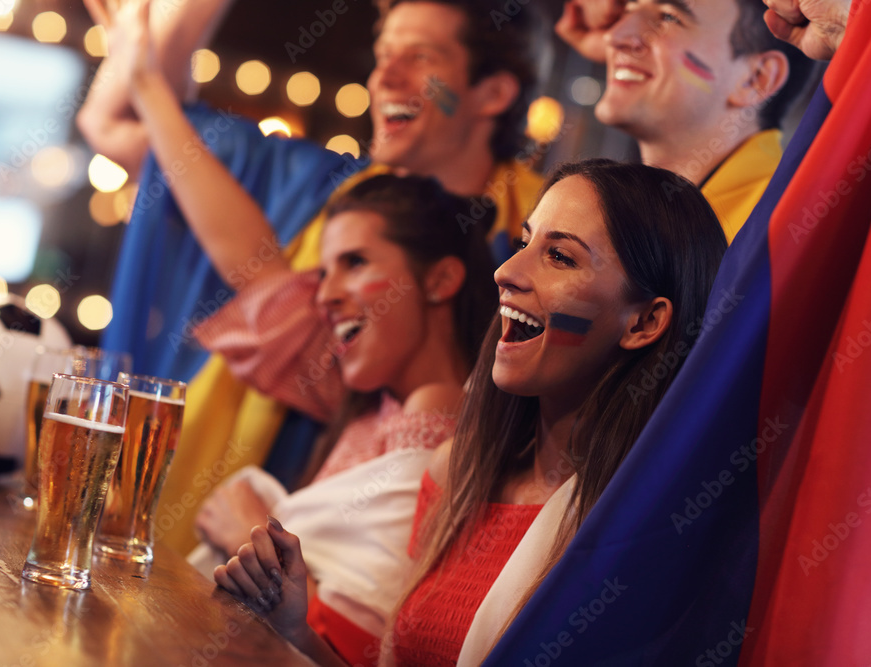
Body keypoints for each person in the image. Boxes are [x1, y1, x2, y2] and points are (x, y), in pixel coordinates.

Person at [213, 158, 728, 665]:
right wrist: (295, 630)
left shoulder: (642, 529)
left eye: (561, 258)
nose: (507, 271)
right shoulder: (455, 473)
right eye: (524, 242)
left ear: (644, 323)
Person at [77, 0, 546, 554]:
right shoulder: (321, 186)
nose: (385, 77)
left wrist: (148, 80)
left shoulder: (534, 242)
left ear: (493, 92)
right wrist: (153, 48)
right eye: (382, 54)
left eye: (420, 57)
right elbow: (113, 121)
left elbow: (306, 337)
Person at [189, 172, 497, 666]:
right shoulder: (370, 405)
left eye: (354, 262)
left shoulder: (436, 410)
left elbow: (356, 644)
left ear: (441, 279)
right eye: (324, 271)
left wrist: (249, 534)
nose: (324, 295)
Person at [557, 0, 815, 242]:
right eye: (628, 9)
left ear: (756, 79)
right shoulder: (632, 216)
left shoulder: (784, 229)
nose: (613, 37)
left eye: (669, 16)